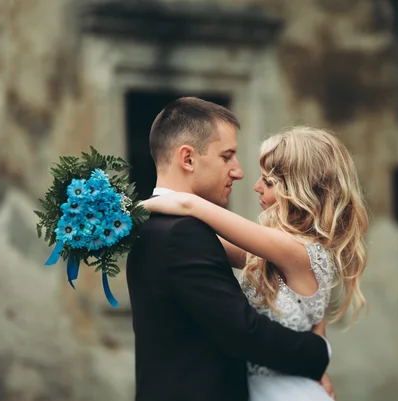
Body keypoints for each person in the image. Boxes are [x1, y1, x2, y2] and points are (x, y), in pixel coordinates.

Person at [141, 125, 369, 401]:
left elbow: (191, 207)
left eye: (269, 182)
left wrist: (131, 210)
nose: (255, 186)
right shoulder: (276, 253)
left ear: (300, 192)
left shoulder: (295, 251)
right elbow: (203, 241)